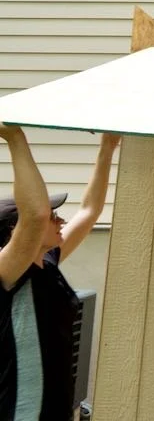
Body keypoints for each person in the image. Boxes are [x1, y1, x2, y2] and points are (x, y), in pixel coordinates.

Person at [0, 122, 120, 420]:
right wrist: (15, 137)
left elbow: (90, 211)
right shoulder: (9, 272)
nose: (60, 220)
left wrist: (107, 147)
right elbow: (37, 214)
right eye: (55, 216)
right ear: (16, 230)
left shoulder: (48, 263)